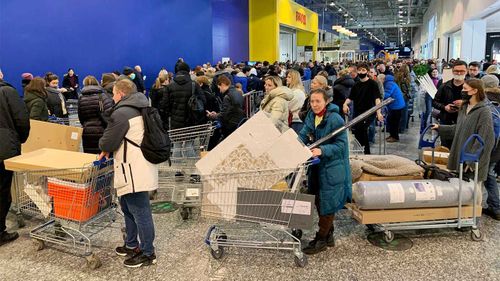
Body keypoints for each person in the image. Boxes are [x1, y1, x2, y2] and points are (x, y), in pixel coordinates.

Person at [98, 79, 158, 268]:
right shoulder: (140, 106)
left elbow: (107, 143)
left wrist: (103, 147)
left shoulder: (123, 112)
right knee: (127, 206)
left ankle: (148, 253)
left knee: (140, 211)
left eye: (114, 94)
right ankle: (132, 244)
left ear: (121, 94)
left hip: (133, 169)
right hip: (139, 165)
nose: (112, 97)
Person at [298, 88, 351, 255]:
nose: (314, 105)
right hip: (317, 166)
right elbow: (304, 133)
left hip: (333, 167)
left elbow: (342, 145)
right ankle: (329, 234)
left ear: (326, 101)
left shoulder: (334, 119)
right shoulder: (311, 116)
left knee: (327, 203)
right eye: (312, 101)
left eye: (317, 101)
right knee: (317, 199)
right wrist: (296, 145)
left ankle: (321, 239)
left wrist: (322, 150)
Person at [432, 79, 494, 205]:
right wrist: (440, 128)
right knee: (462, 188)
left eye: (465, 89)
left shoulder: (484, 111)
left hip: (474, 159)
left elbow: (485, 138)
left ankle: (474, 216)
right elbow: (459, 128)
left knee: (475, 190)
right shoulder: (464, 107)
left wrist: (471, 160)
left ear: (475, 91)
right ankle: (462, 215)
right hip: (461, 154)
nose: (462, 91)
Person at [0, 78, 30, 247]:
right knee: (3, 190)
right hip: (4, 147)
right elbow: (21, 120)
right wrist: (20, 139)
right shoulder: (7, 92)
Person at [343, 63, 384, 154]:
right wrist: (345, 104)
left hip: (369, 113)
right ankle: (360, 153)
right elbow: (350, 97)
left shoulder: (373, 84)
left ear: (367, 71)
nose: (361, 72)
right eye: (360, 70)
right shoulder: (356, 85)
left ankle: (366, 154)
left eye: (363, 70)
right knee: (357, 134)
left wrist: (378, 112)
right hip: (357, 113)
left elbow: (377, 99)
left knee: (363, 132)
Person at [161, 62, 206, 131]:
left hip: (175, 123)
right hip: (191, 122)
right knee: (190, 140)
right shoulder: (194, 85)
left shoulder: (169, 87)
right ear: (188, 71)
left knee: (177, 140)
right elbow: (203, 101)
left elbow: (164, 105)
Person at [432, 60, 468, 148]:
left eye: (462, 71)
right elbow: (434, 102)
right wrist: (445, 107)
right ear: (452, 71)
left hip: (464, 121)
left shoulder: (470, 87)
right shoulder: (444, 86)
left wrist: (464, 104)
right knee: (445, 147)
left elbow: (478, 103)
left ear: (466, 71)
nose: (459, 73)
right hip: (446, 120)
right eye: (456, 71)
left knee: (461, 147)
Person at [481, 74, 500, 220]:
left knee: (487, 174)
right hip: (497, 147)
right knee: (489, 173)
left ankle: (495, 207)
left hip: (492, 146)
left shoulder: (488, 103)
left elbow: (491, 129)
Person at [78, 76, 113, 154]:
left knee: (90, 157)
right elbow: (108, 114)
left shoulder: (81, 98)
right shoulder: (103, 96)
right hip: (102, 130)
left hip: (87, 131)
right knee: (104, 156)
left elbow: (81, 116)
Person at [380, 74, 406, 142]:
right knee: (391, 121)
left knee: (394, 122)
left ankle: (395, 137)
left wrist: (379, 94)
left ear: (383, 79)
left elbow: (387, 94)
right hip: (395, 105)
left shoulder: (389, 84)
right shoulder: (389, 82)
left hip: (396, 106)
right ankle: (392, 135)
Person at [421, 68, 442, 133]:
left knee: (436, 111)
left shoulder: (440, 81)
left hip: (437, 97)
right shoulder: (429, 80)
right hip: (429, 96)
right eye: (433, 72)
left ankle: (435, 125)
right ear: (431, 73)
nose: (435, 73)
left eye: (436, 72)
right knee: (429, 110)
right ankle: (424, 125)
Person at [394, 64, 411, 133]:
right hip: (405, 97)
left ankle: (398, 127)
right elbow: (409, 88)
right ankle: (403, 128)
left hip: (398, 96)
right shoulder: (408, 78)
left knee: (398, 113)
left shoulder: (397, 77)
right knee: (404, 113)